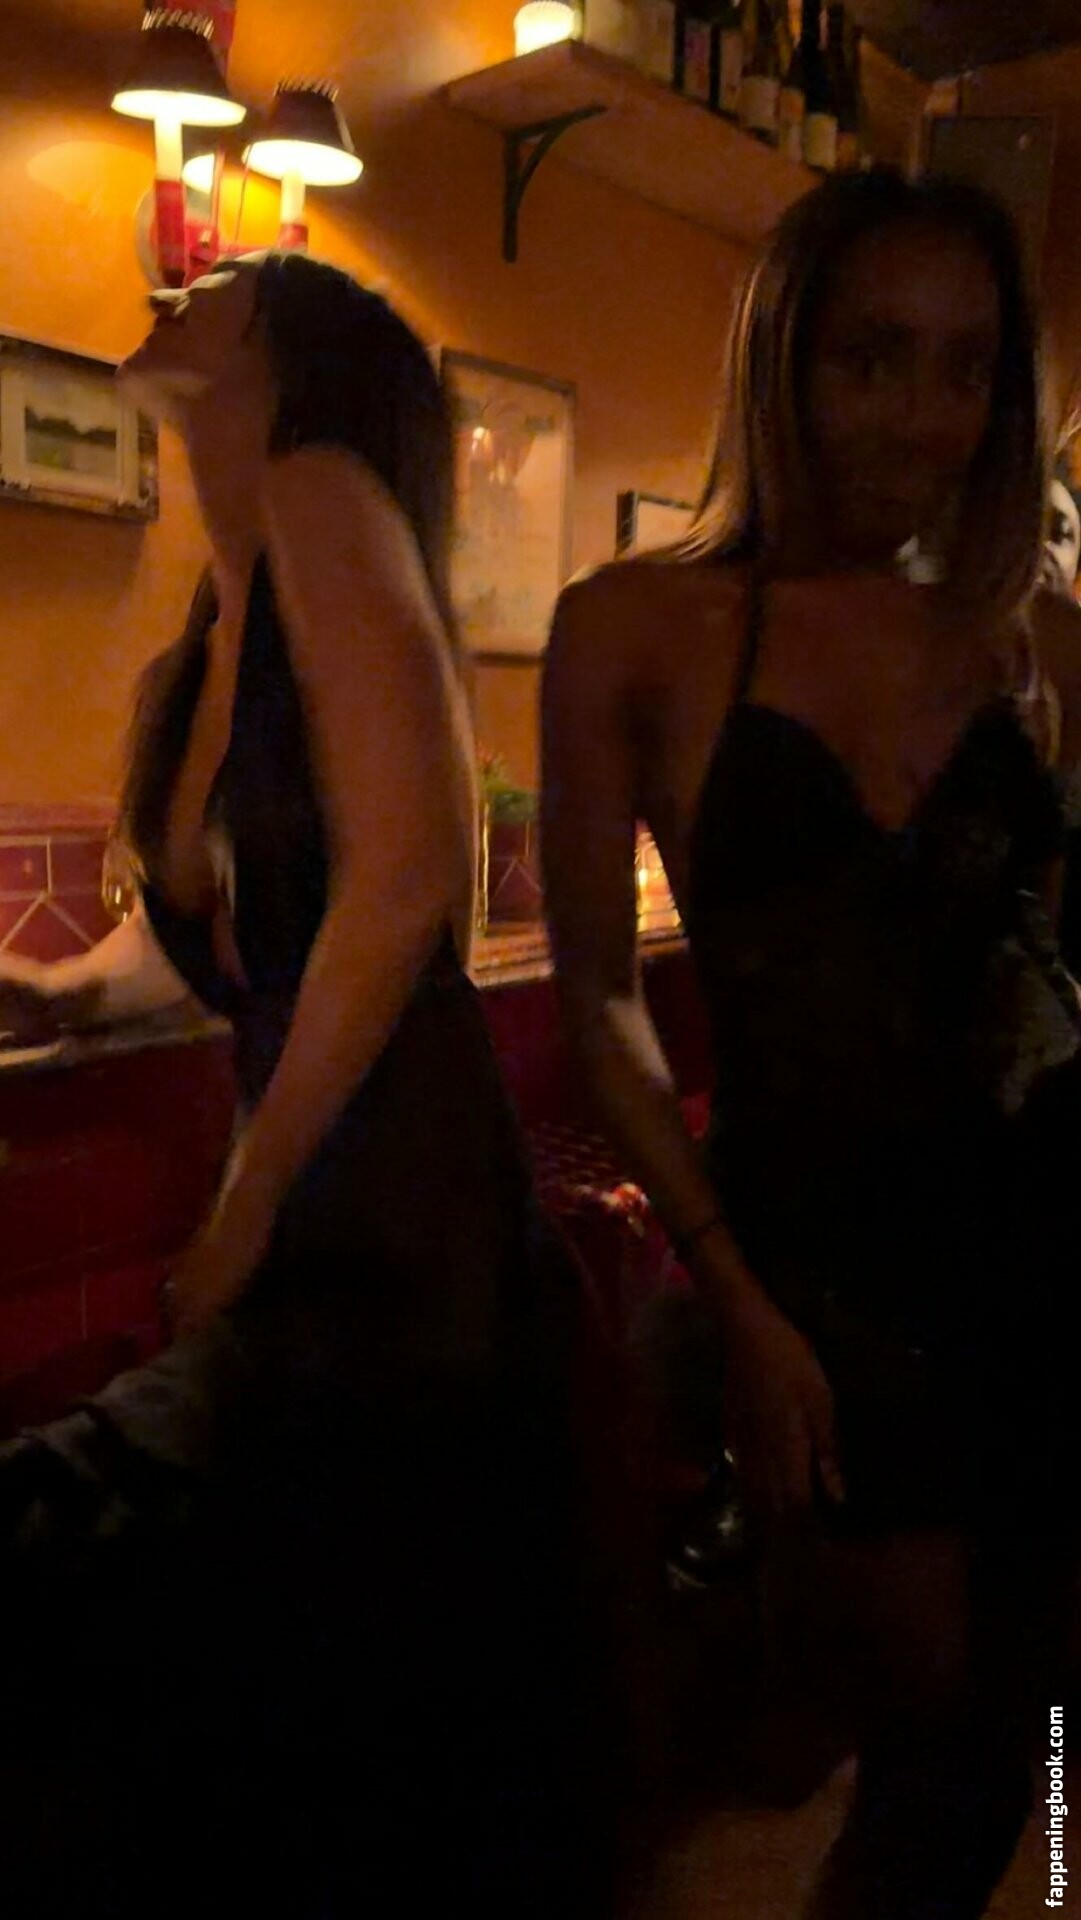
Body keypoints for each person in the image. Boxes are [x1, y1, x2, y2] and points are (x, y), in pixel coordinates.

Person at [0, 253, 624, 1920]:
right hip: (320, 1207)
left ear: (289, 357)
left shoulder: (320, 491)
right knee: (323, 1683)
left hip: (398, 1224)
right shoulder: (213, 623)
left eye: (227, 283)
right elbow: (221, 933)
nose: (181, 286)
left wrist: (247, 1196)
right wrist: (52, 990)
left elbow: (407, 874)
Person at [542, 167, 1081, 1920]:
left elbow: (1044, 965)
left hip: (1047, 1249)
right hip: (828, 1290)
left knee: (1038, 1719)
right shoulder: (634, 628)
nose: (922, 416)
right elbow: (600, 1005)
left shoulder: (1029, 634)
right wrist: (735, 1301)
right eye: (873, 358)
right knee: (926, 1741)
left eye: (965, 368)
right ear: (784, 360)